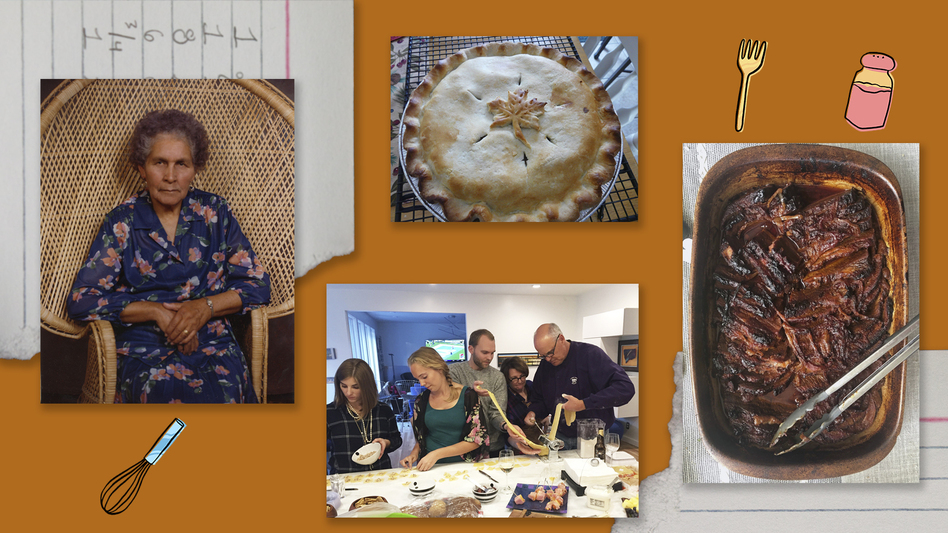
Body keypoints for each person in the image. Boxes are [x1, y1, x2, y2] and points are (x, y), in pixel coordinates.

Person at [66, 109, 270, 403]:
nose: (171, 176)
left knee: (226, 393)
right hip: (144, 345)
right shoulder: (122, 221)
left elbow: (258, 285)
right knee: (161, 392)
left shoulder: (215, 213)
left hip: (213, 341)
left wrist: (204, 308)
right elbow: (81, 299)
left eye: (181, 164)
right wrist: (156, 312)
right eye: (159, 162)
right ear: (141, 167)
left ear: (195, 168)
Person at [524, 323, 635, 449]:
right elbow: (539, 399)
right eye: (543, 356)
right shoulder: (545, 366)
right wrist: (533, 412)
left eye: (550, 353)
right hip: (561, 436)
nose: (548, 359)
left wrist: (584, 404)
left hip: (594, 437)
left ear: (561, 339)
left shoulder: (590, 355)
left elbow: (625, 388)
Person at [400, 347, 489, 471]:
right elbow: (422, 438)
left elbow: (476, 440)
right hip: (430, 467)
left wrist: (437, 454)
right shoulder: (421, 401)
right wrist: (414, 453)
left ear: (439, 368)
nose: (421, 383)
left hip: (464, 466)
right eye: (418, 379)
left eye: (424, 377)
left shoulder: (468, 396)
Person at [448, 329, 531, 456]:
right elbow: (449, 404)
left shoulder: (497, 377)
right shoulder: (454, 372)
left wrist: (506, 426)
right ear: (471, 349)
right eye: (485, 352)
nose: (489, 357)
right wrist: (469, 393)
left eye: (492, 353)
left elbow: (496, 413)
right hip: (461, 446)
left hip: (492, 446)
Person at [327, 359, 402, 474]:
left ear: (367, 386)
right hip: (345, 476)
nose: (348, 392)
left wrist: (386, 443)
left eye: (355, 387)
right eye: (344, 386)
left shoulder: (383, 410)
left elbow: (396, 439)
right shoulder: (329, 412)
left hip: (380, 474)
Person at [499, 355, 546, 452]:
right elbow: (507, 433)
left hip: (541, 440)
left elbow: (542, 404)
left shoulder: (531, 386)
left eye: (522, 376)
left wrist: (545, 417)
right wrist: (519, 444)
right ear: (507, 379)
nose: (520, 381)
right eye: (514, 378)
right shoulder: (506, 397)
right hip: (519, 446)